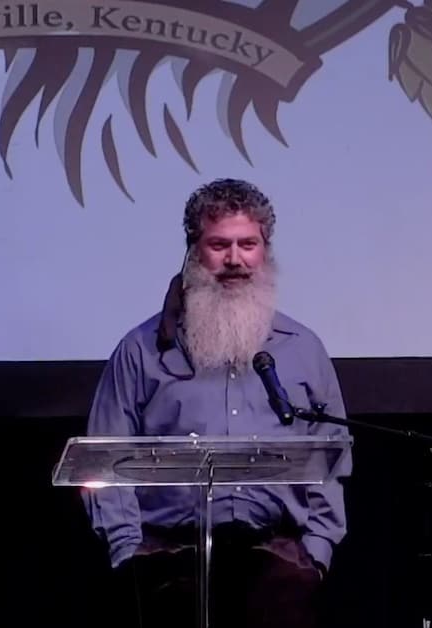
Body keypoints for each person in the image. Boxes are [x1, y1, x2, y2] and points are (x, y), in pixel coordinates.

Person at [82, 178, 351, 628]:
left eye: (248, 244)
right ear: (193, 252)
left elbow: (332, 454)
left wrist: (317, 550)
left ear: (265, 249)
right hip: (166, 560)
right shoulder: (142, 350)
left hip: (276, 563)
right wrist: (128, 550)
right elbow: (103, 459)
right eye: (219, 244)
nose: (234, 260)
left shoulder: (302, 348)